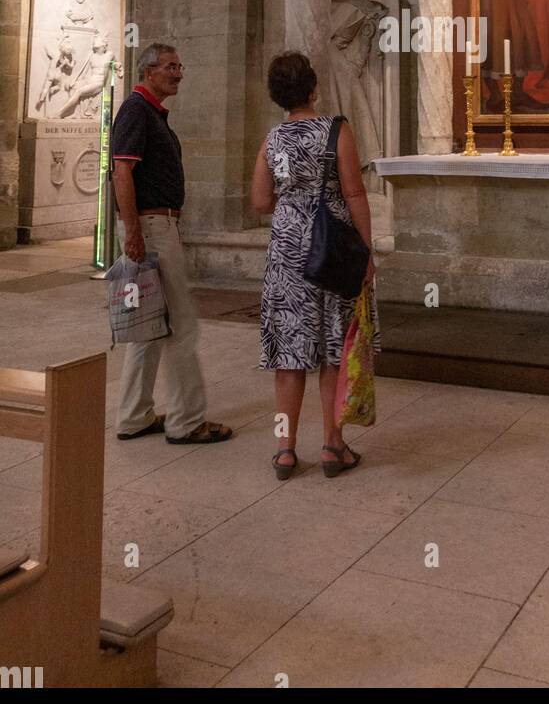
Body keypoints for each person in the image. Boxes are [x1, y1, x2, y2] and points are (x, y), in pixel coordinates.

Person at [252, 52, 379, 482]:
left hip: (287, 254)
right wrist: (366, 252)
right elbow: (356, 193)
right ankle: (331, 445)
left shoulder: (272, 140)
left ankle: (285, 451)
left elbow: (259, 201)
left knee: (288, 354)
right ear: (313, 88)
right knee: (332, 349)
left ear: (277, 96)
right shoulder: (335, 130)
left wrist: (292, 205)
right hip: (333, 251)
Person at [112, 43, 232, 445]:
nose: (179, 73)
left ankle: (134, 416)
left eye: (181, 65)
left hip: (152, 226)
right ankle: (186, 421)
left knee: (147, 328)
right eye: (170, 67)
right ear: (148, 71)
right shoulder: (136, 110)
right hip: (150, 227)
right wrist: (132, 231)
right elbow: (121, 173)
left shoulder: (152, 113)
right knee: (183, 327)